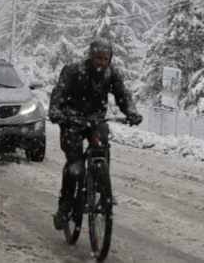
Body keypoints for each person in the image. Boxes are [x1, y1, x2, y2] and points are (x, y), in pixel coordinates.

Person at [48, 38, 143, 231]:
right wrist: (56, 111)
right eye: (99, 57)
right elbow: (59, 92)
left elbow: (123, 95)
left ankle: (101, 189)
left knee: (102, 149)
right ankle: (65, 206)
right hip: (71, 120)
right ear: (91, 56)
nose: (102, 62)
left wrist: (131, 111)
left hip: (96, 120)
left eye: (106, 58)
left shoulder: (111, 74)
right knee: (75, 164)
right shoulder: (74, 70)